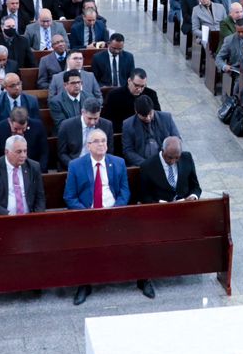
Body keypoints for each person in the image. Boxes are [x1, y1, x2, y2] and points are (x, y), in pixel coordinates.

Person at [64, 128, 135, 302]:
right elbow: (70, 196)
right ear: (88, 146)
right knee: (82, 245)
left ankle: (141, 278)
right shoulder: (76, 165)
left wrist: (116, 210)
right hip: (87, 216)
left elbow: (124, 191)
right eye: (97, 141)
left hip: (113, 214)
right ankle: (84, 284)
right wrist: (87, 214)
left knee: (138, 236)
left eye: (104, 140)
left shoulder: (118, 163)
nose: (102, 144)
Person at [0, 133, 45, 216]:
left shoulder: (33, 167)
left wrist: (37, 216)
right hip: (2, 218)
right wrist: (8, 215)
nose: (23, 155)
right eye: (19, 152)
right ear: (7, 152)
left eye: (25, 151)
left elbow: (40, 197)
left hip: (30, 218)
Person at [138, 136, 201, 203]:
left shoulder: (187, 158)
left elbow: (195, 186)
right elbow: (144, 195)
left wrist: (194, 196)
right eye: (170, 157)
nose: (173, 161)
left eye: (177, 158)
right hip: (160, 209)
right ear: (162, 150)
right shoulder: (147, 166)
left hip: (185, 205)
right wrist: (159, 202)